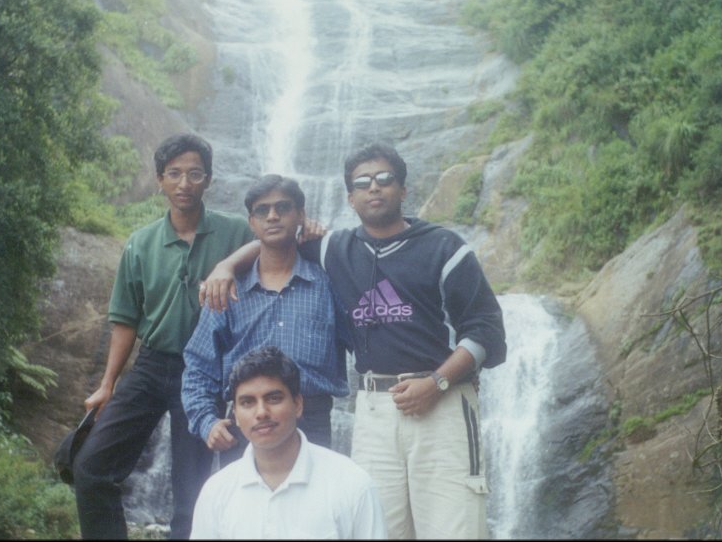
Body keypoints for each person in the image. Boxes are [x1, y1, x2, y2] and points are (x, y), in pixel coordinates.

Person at [201, 142, 507, 539]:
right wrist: (226, 265)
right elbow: (274, 237)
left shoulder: (444, 247)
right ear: (350, 197)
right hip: (374, 409)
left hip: (441, 402)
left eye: (384, 179)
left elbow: (487, 329)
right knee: (375, 527)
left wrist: (439, 382)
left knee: (454, 529)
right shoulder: (335, 249)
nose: (374, 187)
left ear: (403, 189)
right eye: (362, 183)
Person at [72, 132, 255, 540]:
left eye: (194, 173)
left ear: (208, 179)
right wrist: (107, 384)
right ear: (160, 180)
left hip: (206, 372)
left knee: (191, 494)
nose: (184, 183)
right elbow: (125, 320)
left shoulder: (235, 233)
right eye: (174, 173)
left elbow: (273, 242)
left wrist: (229, 265)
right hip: (152, 365)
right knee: (90, 467)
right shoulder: (141, 243)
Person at [182, 174, 348, 467]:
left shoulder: (329, 284)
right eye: (262, 210)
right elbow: (198, 365)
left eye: (283, 207)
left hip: (312, 420)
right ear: (252, 222)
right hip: (246, 421)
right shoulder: (227, 290)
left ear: (301, 216)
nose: (272, 216)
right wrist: (206, 421)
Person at [190, 346, 387, 540]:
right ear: (236, 415)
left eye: (273, 399)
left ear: (298, 404)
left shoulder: (351, 485)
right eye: (248, 402)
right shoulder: (217, 491)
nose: (261, 413)